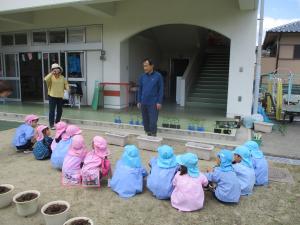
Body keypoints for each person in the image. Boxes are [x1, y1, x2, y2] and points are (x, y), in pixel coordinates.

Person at [137, 59, 163, 136]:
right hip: (143, 102)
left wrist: (159, 102)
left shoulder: (158, 76)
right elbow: (140, 89)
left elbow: (161, 90)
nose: (144, 68)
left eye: (146, 66)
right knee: (145, 121)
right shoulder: (142, 77)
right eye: (144, 66)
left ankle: (154, 135)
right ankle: (148, 135)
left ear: (152, 66)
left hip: (153, 103)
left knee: (153, 122)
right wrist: (139, 101)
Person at [44, 63, 69, 130]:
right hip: (52, 96)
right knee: (52, 111)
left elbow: (66, 84)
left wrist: (68, 88)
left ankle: (57, 122)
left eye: (57, 69)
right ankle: (51, 124)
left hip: (60, 96)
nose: (56, 70)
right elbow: (45, 79)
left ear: (60, 70)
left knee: (60, 111)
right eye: (54, 69)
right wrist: (51, 73)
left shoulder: (62, 77)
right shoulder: (51, 77)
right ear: (52, 70)